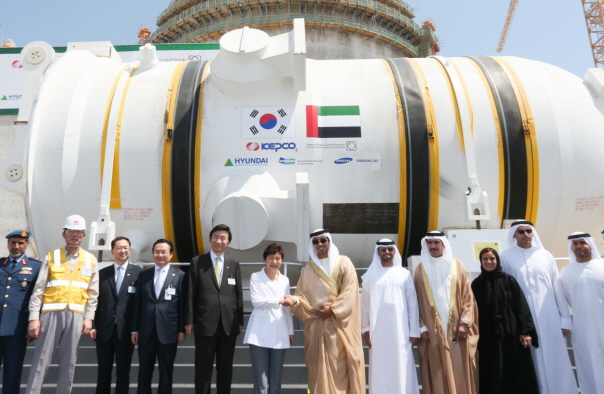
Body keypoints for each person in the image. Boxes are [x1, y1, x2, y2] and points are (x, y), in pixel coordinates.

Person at [500, 220, 577, 394]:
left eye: (529, 231)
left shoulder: (545, 255)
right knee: (530, 357)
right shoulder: (505, 257)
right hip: (522, 318)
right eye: (521, 232)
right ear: (514, 235)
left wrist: (565, 318)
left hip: (549, 316)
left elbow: (556, 287)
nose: (526, 234)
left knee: (555, 355)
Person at [25, 214, 100, 394]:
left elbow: (93, 294)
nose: (75, 235)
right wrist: (33, 318)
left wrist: (89, 318)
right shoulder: (51, 256)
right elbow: (39, 290)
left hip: (76, 315)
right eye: (71, 231)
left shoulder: (91, 259)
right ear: (64, 234)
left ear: (84, 235)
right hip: (50, 314)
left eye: (79, 232)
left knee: (69, 362)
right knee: (41, 359)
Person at [291, 229, 365, 394]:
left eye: (323, 240)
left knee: (342, 368)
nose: (320, 244)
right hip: (317, 328)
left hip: (339, 328)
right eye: (316, 242)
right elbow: (301, 296)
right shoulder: (309, 269)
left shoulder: (344, 262)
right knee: (318, 371)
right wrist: (294, 301)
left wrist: (333, 309)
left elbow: (350, 292)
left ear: (329, 241)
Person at [413, 231, 478, 394]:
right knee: (436, 371)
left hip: (457, 329)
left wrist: (464, 322)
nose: (433, 246)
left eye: (436, 243)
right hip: (431, 330)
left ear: (443, 244)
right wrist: (421, 327)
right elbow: (414, 302)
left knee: (458, 367)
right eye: (430, 243)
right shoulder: (420, 270)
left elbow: (468, 297)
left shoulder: (457, 266)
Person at [471, 247, 540, 394]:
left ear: (497, 260)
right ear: (481, 261)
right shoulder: (476, 284)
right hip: (489, 339)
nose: (489, 262)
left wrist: (526, 331)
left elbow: (521, 306)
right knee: (492, 374)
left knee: (516, 373)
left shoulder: (508, 280)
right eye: (485, 259)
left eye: (492, 258)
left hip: (512, 337)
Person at [185, 224, 244, 394]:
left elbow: (238, 294)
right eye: (216, 237)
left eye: (223, 238)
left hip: (228, 324)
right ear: (210, 240)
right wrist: (189, 321)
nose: (219, 241)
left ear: (228, 242)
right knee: (203, 369)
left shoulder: (234, 264)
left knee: (225, 369)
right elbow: (190, 294)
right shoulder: (197, 262)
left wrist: (240, 321)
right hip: (205, 324)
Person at [361, 239, 420, 394]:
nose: (387, 252)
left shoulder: (404, 274)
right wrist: (366, 328)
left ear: (394, 251)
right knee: (380, 367)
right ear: (378, 252)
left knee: (401, 366)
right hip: (377, 331)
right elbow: (365, 305)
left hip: (401, 331)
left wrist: (414, 331)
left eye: (390, 249)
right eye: (383, 249)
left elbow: (412, 304)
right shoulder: (369, 275)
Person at [131, 239, 186, 394]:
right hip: (146, 331)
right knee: (144, 372)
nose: (160, 255)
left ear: (171, 254)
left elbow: (182, 305)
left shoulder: (180, 275)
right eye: (157, 252)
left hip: (168, 331)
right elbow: (137, 305)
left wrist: (181, 328)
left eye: (164, 252)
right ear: (153, 253)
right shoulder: (143, 275)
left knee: (166, 372)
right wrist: (134, 329)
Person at [91, 236, 143, 394]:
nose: (123, 251)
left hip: (126, 331)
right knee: (103, 371)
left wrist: (136, 329)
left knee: (123, 372)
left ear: (130, 249)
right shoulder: (102, 274)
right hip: (104, 330)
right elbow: (95, 301)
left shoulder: (139, 273)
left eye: (126, 248)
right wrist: (93, 325)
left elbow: (140, 305)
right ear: (112, 251)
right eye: (119, 248)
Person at [243, 242, 295, 394]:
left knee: (276, 378)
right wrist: (278, 301)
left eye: (278, 258)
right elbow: (256, 302)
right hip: (259, 332)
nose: (274, 262)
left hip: (279, 331)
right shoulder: (256, 277)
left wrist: (291, 331)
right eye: (271, 258)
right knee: (261, 379)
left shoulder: (284, 279)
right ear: (265, 259)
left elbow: (287, 309)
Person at [560, 232, 604, 394]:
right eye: (575, 243)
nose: (579, 246)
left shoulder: (602, 266)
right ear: (571, 247)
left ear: (590, 245)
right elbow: (562, 301)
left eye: (582, 243)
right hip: (583, 330)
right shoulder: (565, 272)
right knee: (588, 366)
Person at [0, 230, 42, 394]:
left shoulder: (36, 266)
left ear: (27, 245)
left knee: (12, 374)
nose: (16, 246)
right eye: (13, 243)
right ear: (8, 244)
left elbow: (39, 297)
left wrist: (33, 322)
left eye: (20, 243)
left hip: (16, 329)